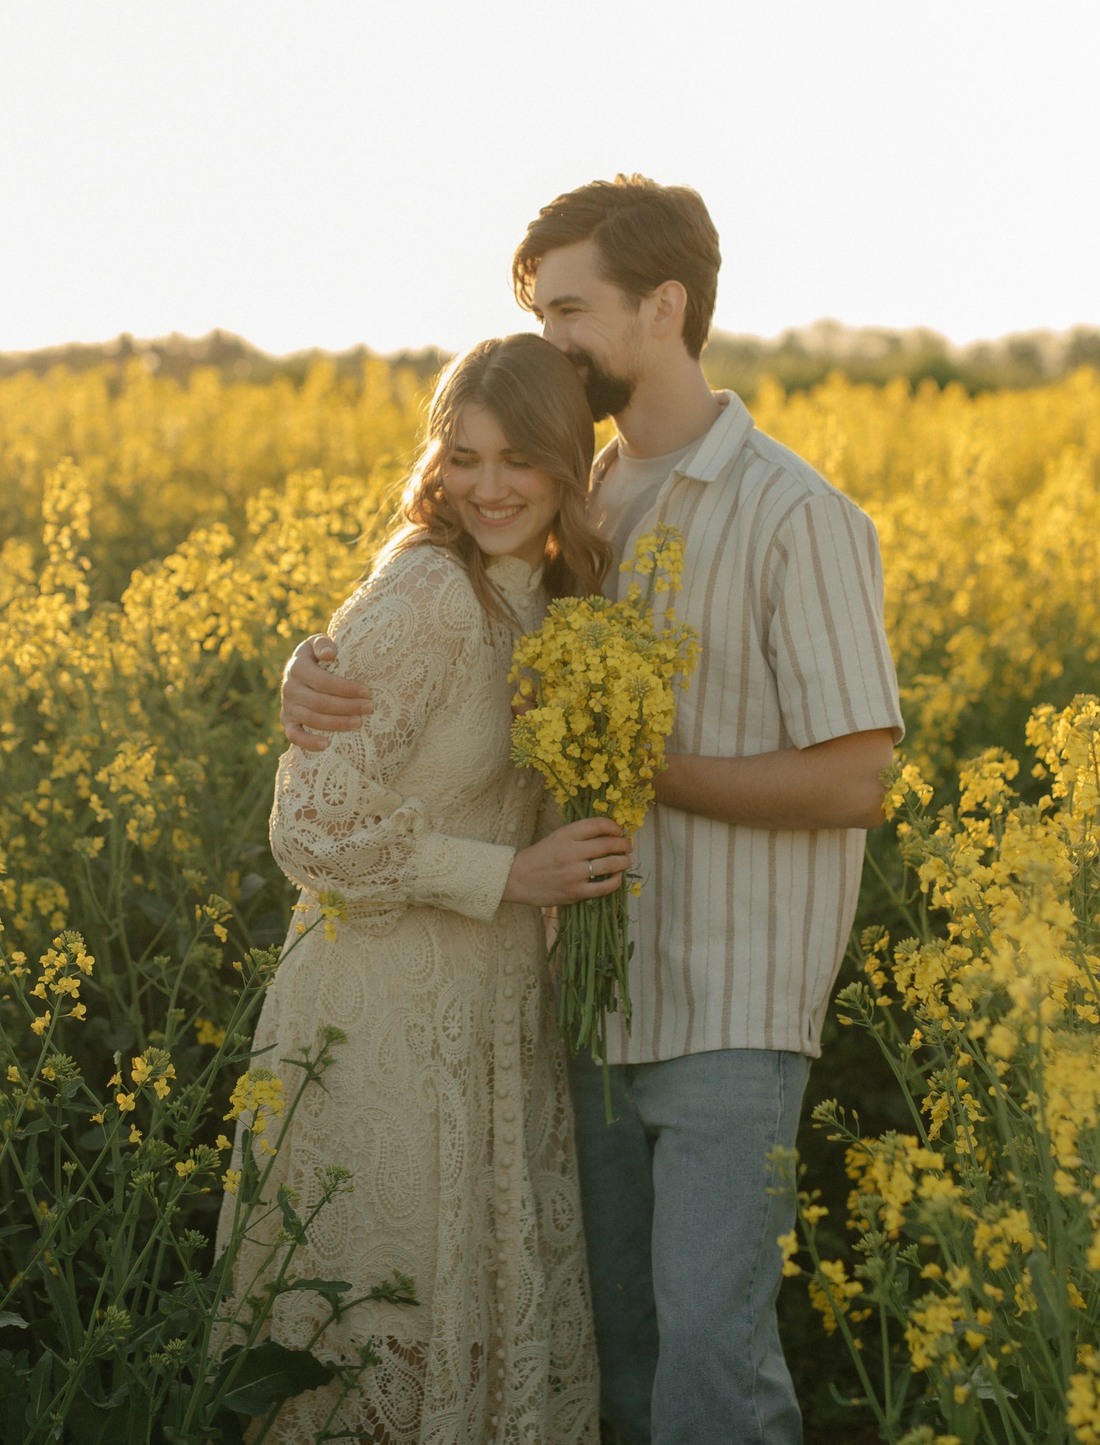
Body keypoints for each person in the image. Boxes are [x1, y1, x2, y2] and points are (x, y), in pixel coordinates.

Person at [280, 178, 904, 1445]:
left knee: (713, 1374)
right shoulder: (575, 495)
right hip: (576, 1002)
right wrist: (307, 676)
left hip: (730, 1008)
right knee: (611, 1371)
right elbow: (426, 634)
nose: (551, 342)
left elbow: (857, 780)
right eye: (539, 315)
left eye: (570, 311)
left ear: (663, 306)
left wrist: (640, 768)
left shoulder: (797, 515)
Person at [224, 333, 633, 1445]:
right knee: (382, 1323)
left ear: (566, 466)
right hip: (380, 1014)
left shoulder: (552, 601)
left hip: (490, 1009)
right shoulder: (427, 592)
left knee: (473, 1319)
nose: (487, 488)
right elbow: (308, 825)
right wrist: (512, 876)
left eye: (519, 460)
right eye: (464, 457)